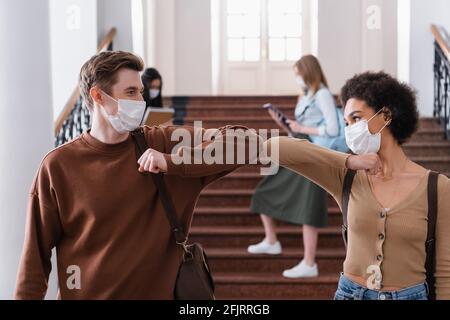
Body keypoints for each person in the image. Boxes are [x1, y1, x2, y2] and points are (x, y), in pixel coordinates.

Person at [15, 51, 262, 300]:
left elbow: (246, 142)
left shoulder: (162, 142)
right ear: (98, 96)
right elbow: (34, 263)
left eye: (140, 91)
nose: (141, 100)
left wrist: (171, 161)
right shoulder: (58, 166)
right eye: (131, 92)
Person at [264, 71, 450, 300]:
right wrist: (349, 160)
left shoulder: (438, 187)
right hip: (350, 294)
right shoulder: (347, 176)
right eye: (346, 122)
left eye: (357, 118)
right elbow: (274, 147)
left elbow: (445, 273)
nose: (350, 129)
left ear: (386, 116)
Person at [248, 55, 341, 279]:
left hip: (315, 154)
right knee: (264, 190)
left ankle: (310, 263)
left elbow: (333, 129)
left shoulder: (323, 94)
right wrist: (284, 124)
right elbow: (299, 130)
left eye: (299, 73)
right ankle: (271, 240)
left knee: (309, 206)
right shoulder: (306, 96)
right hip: (300, 147)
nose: (297, 78)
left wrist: (300, 127)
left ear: (309, 72)